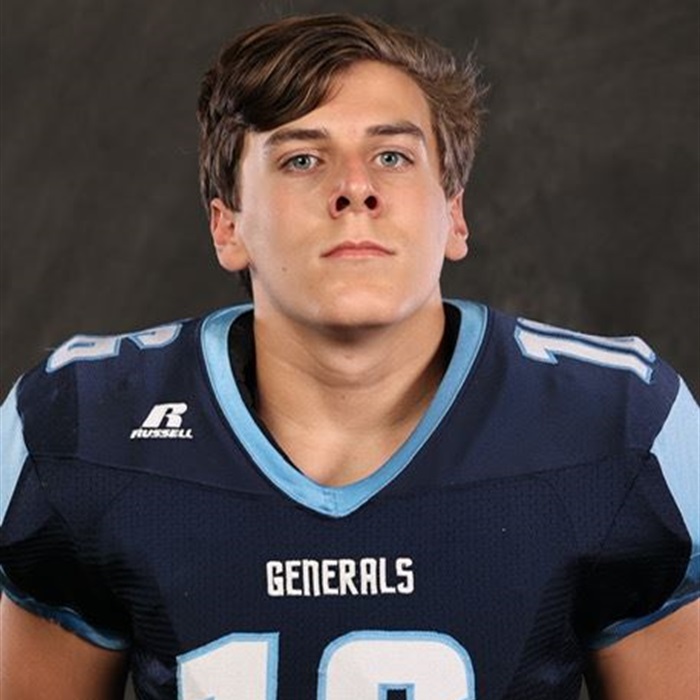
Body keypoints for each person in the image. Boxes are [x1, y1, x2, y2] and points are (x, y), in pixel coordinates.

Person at [0, 13, 698, 700]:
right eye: (302, 159)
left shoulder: (616, 423)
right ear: (227, 225)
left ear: (454, 215)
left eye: (392, 156)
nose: (355, 189)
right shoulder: (85, 425)